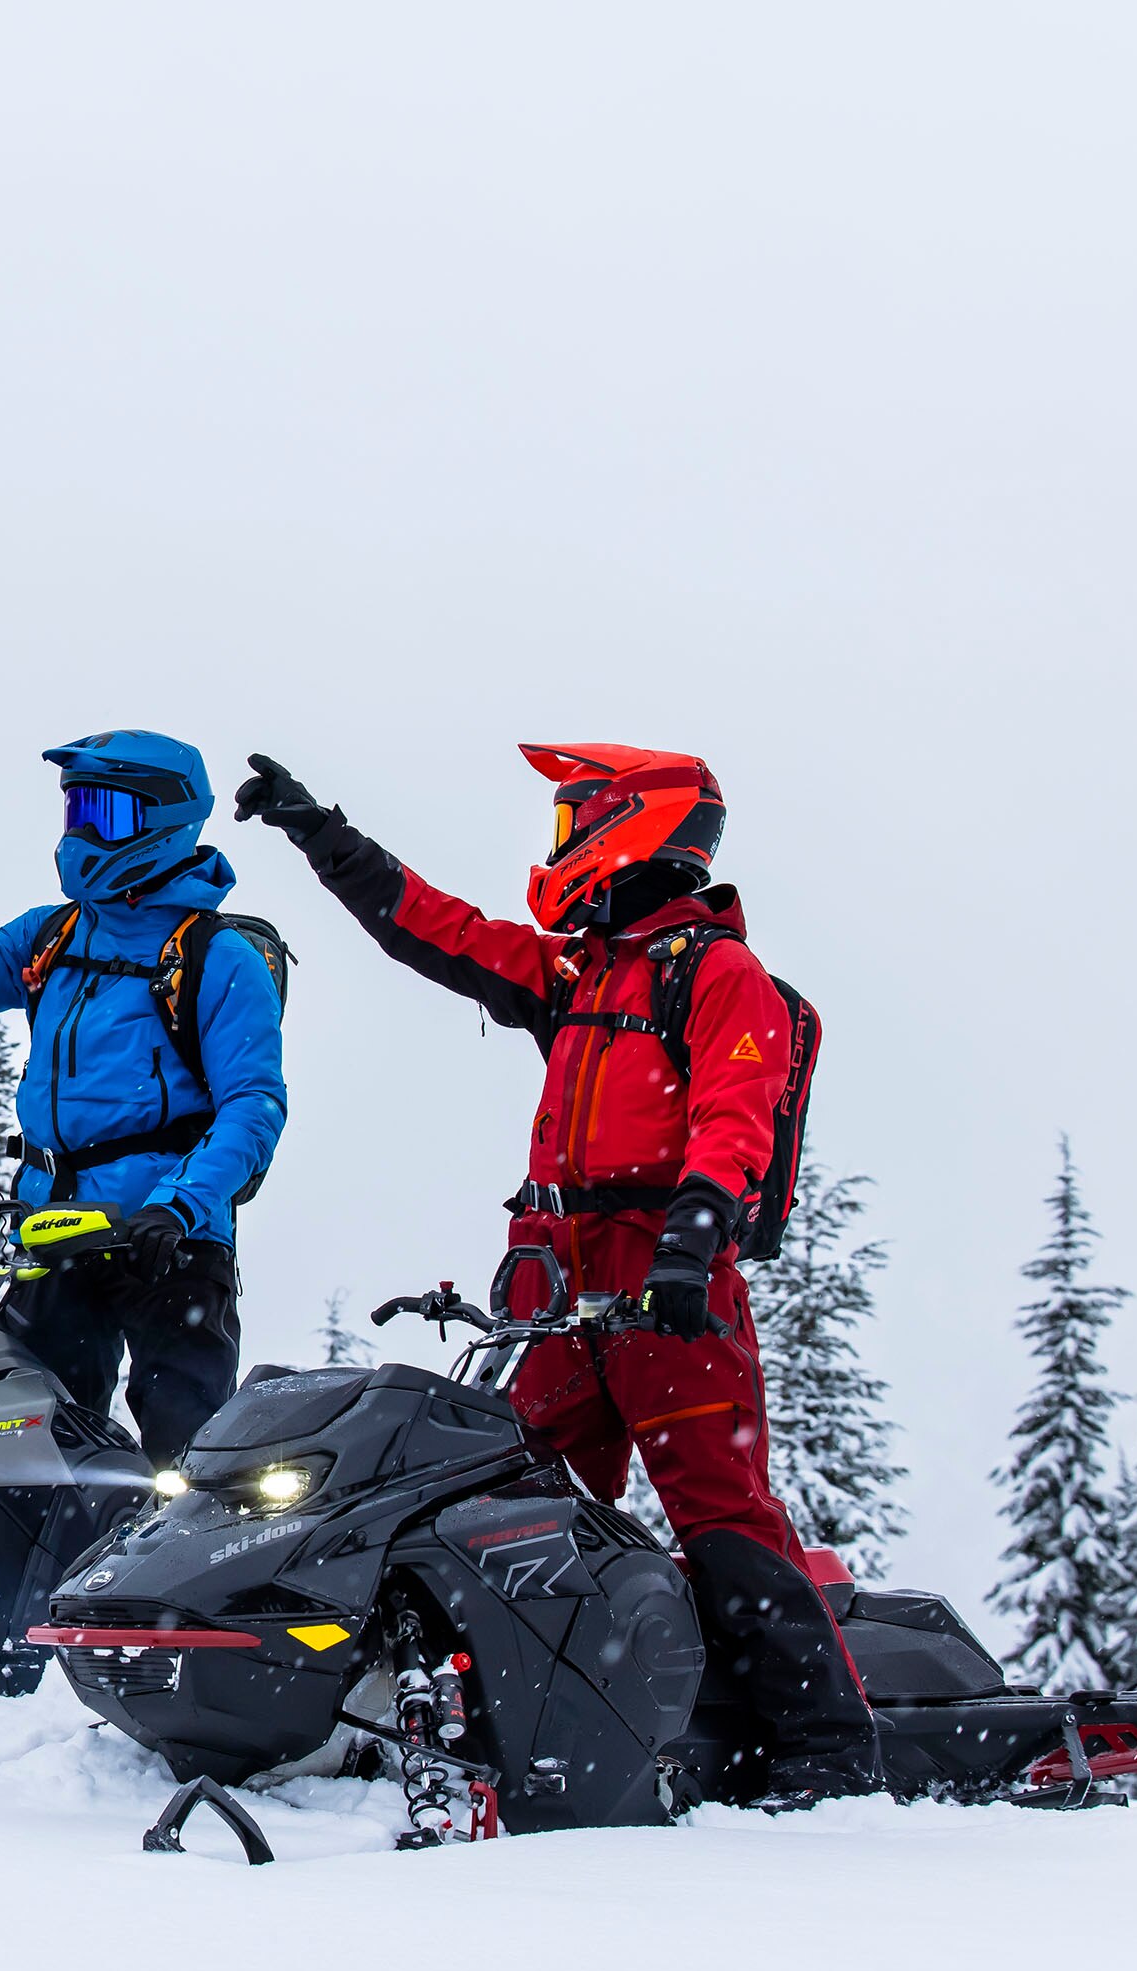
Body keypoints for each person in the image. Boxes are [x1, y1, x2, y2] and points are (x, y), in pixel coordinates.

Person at [233, 743, 880, 1805]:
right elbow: (439, 933)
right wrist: (324, 838)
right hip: (560, 1282)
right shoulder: (579, 973)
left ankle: (826, 1747)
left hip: (666, 1279)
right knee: (514, 1498)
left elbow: (736, 1110)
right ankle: (560, 1710)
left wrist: (692, 1233)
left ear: (638, 828)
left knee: (718, 1508)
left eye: (573, 821)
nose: (562, 845)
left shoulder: (714, 971)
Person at [0, 730, 288, 1462]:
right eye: (75, 808)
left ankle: (193, 1576)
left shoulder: (218, 956)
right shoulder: (53, 932)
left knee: (189, 1456)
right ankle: (46, 1579)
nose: (81, 830)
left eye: (104, 812)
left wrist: (177, 1206)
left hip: (165, 1244)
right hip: (51, 1236)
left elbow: (254, 1107)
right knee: (28, 1455)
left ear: (164, 822)